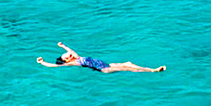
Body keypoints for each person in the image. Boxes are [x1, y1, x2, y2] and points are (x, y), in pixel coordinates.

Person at [37, 41, 165, 74]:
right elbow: (54, 65)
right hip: (104, 69)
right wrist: (42, 62)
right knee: (128, 68)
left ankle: (151, 70)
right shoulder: (73, 63)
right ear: (67, 60)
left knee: (129, 63)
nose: (69, 54)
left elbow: (71, 51)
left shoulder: (77, 57)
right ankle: (153, 70)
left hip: (106, 64)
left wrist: (63, 46)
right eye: (67, 56)